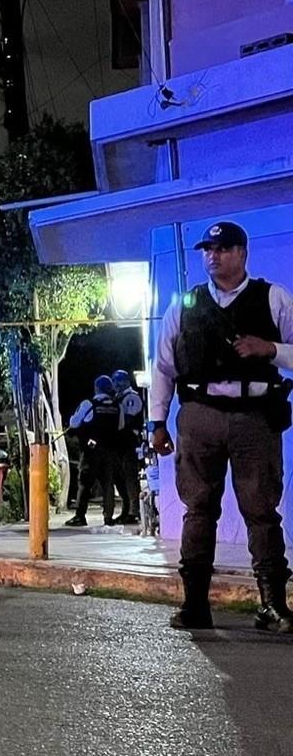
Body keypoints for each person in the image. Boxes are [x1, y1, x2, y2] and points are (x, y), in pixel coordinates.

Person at [149, 220, 293, 632]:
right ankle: (195, 603)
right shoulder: (185, 305)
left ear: (242, 253)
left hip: (254, 416)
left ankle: (272, 605)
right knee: (199, 510)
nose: (214, 256)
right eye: (208, 250)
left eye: (224, 249)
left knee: (262, 510)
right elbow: (163, 366)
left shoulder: (274, 299)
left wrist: (271, 350)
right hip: (199, 415)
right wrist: (157, 423)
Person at [65, 375, 123, 527]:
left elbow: (74, 423)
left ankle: (80, 516)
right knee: (108, 483)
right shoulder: (117, 406)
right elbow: (121, 426)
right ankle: (108, 517)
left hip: (91, 451)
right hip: (110, 449)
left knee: (84, 483)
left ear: (96, 387)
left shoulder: (89, 404)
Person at [112, 369, 144, 524]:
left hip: (129, 440)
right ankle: (127, 509)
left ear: (126, 381)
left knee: (130, 476)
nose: (116, 385)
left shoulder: (132, 397)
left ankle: (134, 510)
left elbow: (129, 419)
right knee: (121, 477)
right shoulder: (118, 398)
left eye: (118, 381)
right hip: (120, 442)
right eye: (114, 381)